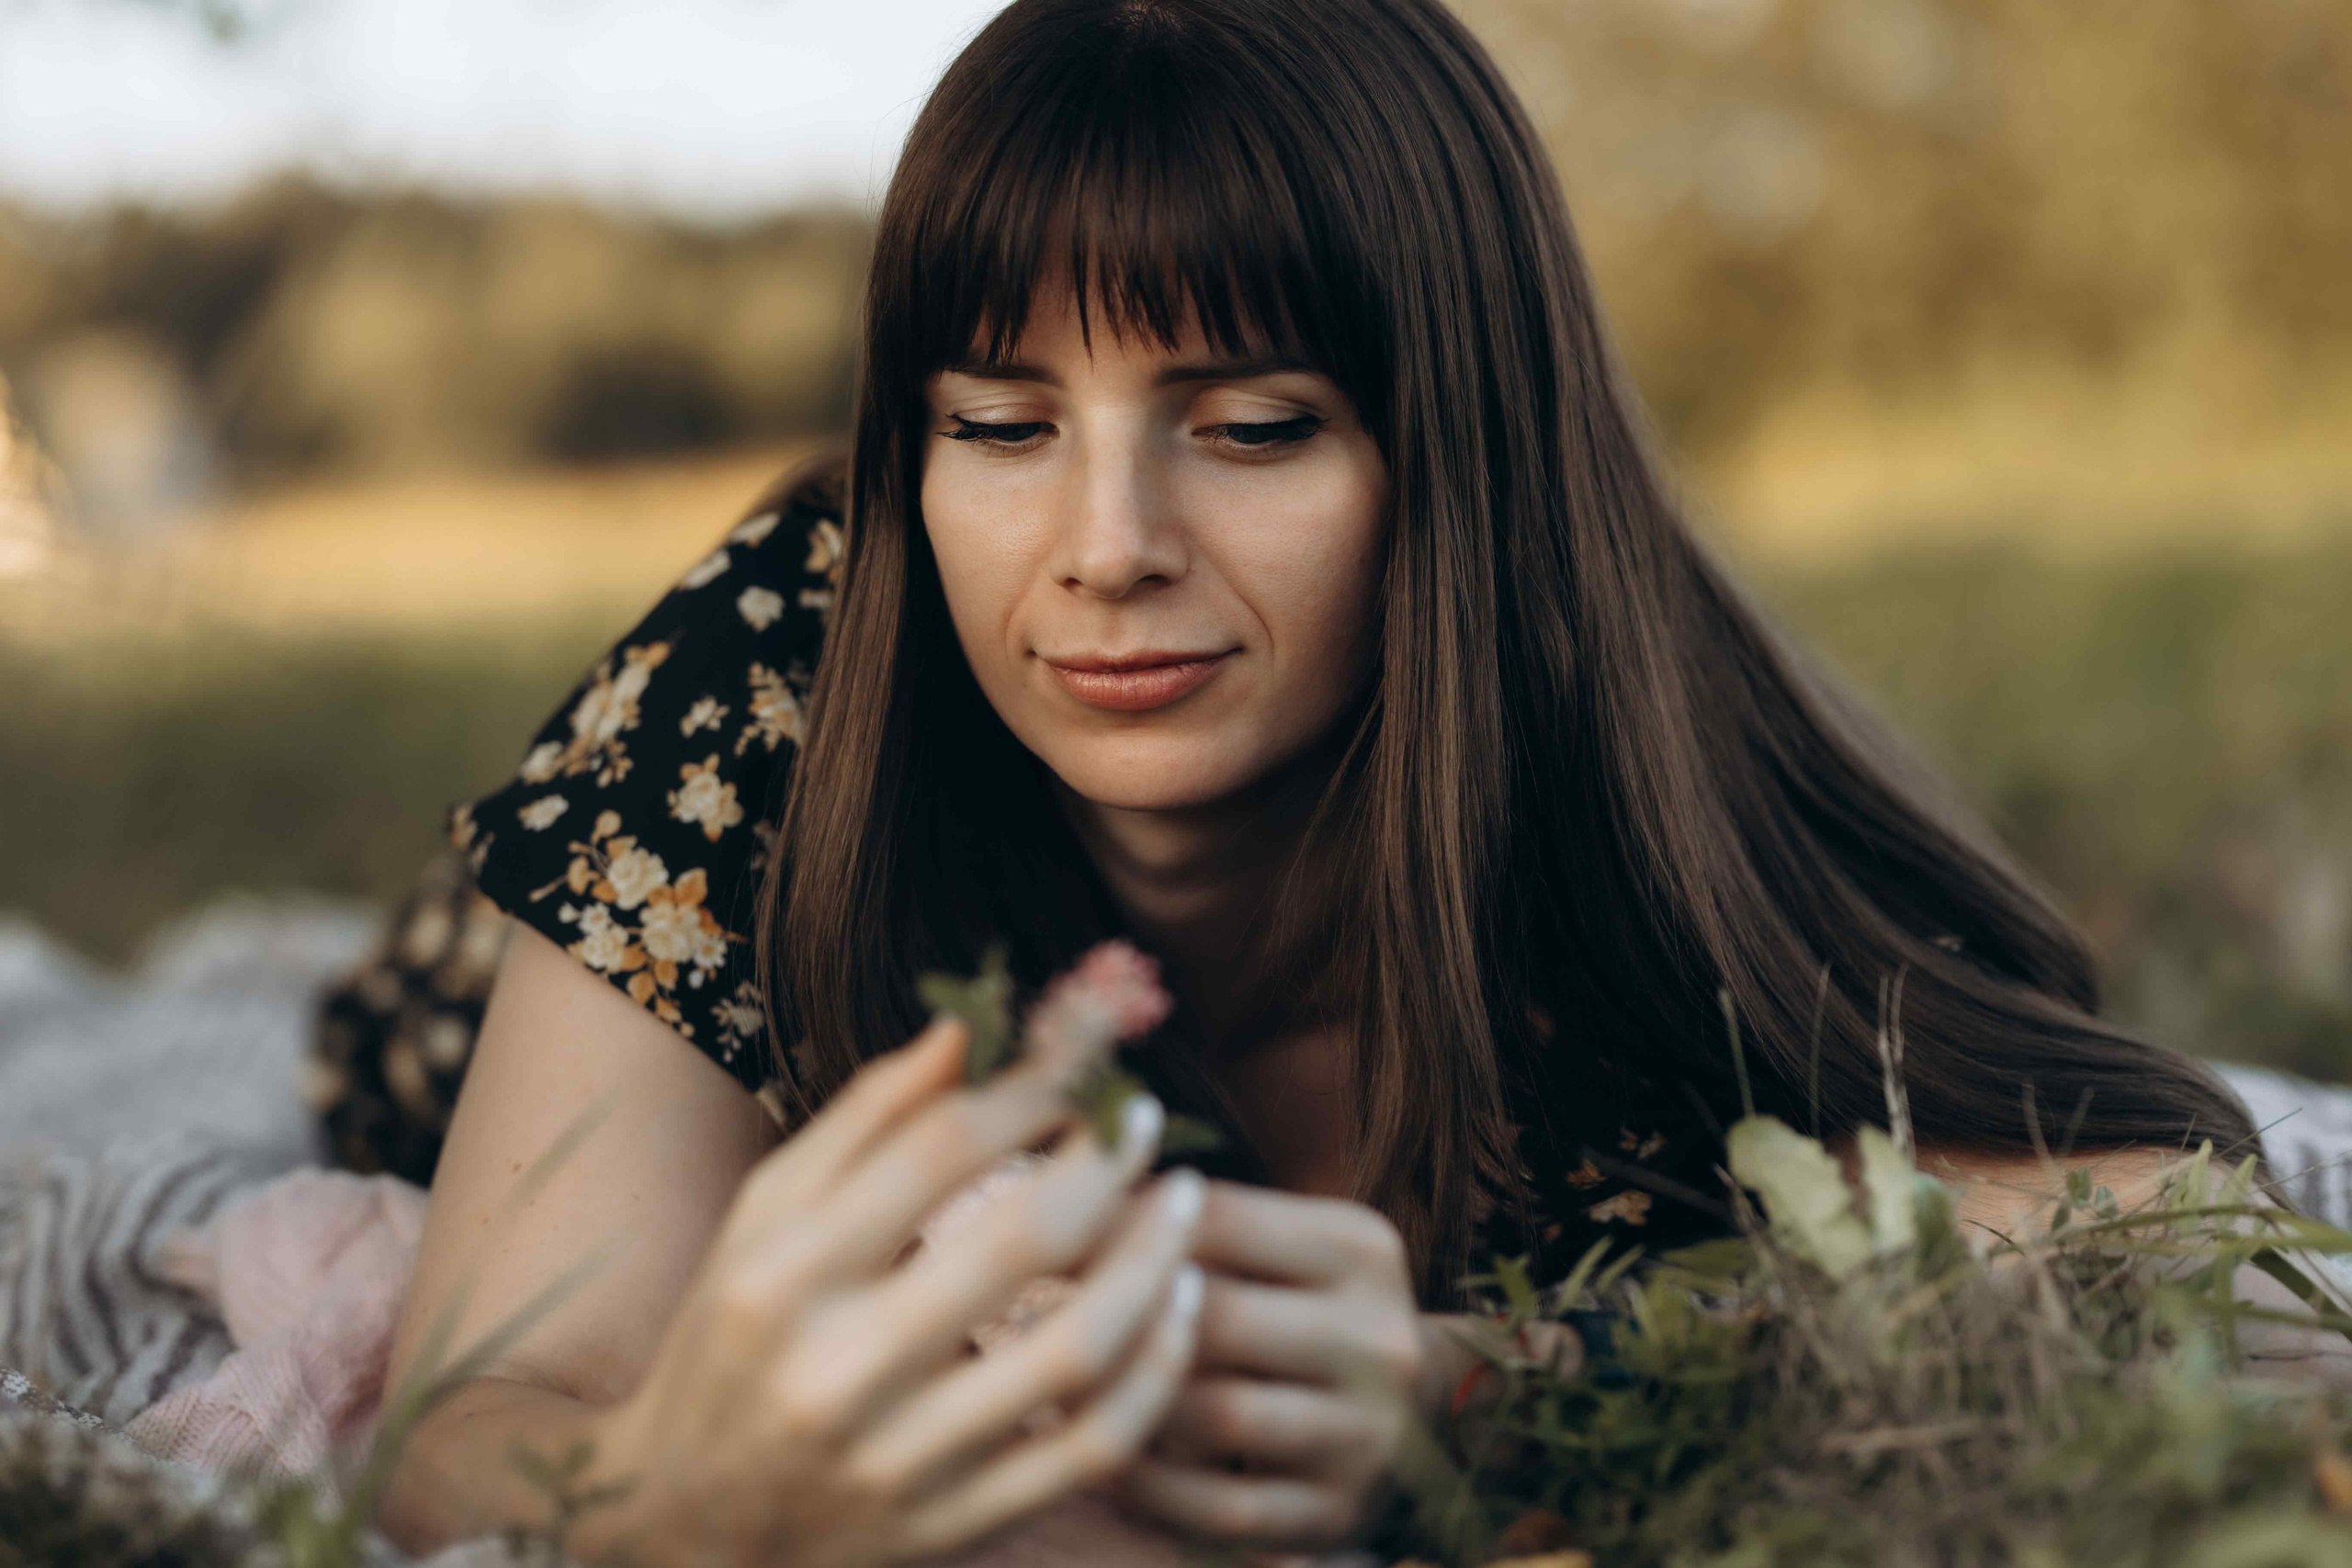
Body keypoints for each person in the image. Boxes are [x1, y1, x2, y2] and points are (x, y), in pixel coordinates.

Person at [368, 0, 2259, 1559]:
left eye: (1254, 426)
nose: (1107, 545)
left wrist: (1477, 1387)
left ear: (1465, 454)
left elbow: (2157, 1214)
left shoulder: (1641, 763)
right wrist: (679, 1500)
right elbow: (467, 1423)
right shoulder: (786, 666)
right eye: (1000, 425)